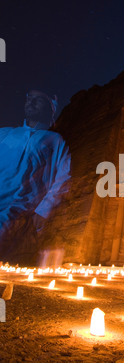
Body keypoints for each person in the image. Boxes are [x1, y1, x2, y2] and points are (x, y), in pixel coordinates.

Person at [0, 90, 71, 264]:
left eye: (38, 100)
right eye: (30, 99)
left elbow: (63, 177)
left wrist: (44, 209)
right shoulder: (4, 133)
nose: (31, 102)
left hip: (21, 212)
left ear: (49, 109)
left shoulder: (55, 140)